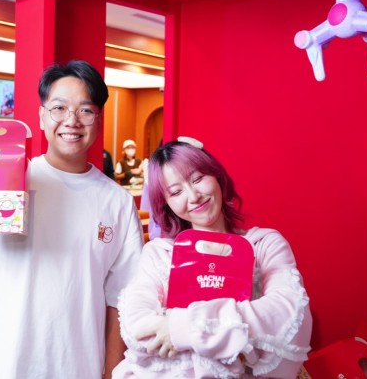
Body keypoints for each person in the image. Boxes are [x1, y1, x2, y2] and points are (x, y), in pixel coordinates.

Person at [0, 60, 144, 379]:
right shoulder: (0, 179)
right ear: (41, 116)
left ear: (98, 118)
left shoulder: (117, 202)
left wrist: (111, 374)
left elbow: (120, 298)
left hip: (70, 367)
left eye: (85, 110)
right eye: (59, 108)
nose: (71, 120)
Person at [113, 139, 313, 378]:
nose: (193, 196)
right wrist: (237, 341)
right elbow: (137, 326)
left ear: (217, 176)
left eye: (197, 179)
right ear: (166, 203)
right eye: (176, 192)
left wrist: (179, 329)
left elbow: (287, 314)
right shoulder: (159, 254)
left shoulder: (265, 245)